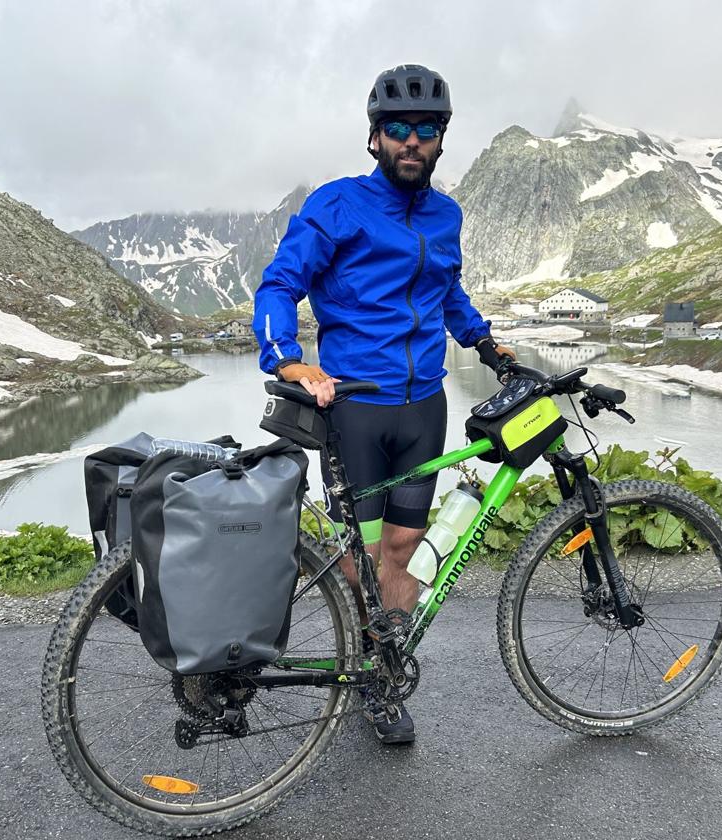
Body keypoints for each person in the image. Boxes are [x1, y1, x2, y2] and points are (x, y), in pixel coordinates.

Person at [251, 64, 515, 744]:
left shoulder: (445, 215)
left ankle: (388, 666)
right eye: (397, 129)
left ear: (440, 141)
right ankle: (363, 669)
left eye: (425, 131)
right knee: (360, 555)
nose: (410, 142)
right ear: (374, 138)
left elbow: (447, 294)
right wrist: (288, 358)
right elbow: (279, 286)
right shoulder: (337, 206)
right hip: (357, 407)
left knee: (404, 543)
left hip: (424, 406)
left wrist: (485, 345)